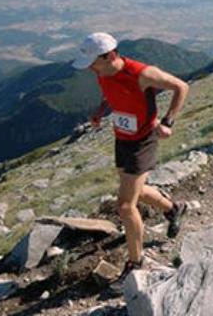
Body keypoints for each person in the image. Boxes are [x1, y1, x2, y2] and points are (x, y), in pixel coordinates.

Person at [72, 32, 189, 291]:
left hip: (143, 139)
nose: (90, 69)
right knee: (136, 190)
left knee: (125, 206)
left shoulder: (142, 73)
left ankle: (136, 263)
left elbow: (181, 87)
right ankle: (173, 209)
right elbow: (110, 93)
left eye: (93, 63)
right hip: (122, 137)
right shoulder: (103, 72)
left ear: (109, 55)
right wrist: (99, 112)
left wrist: (168, 122)